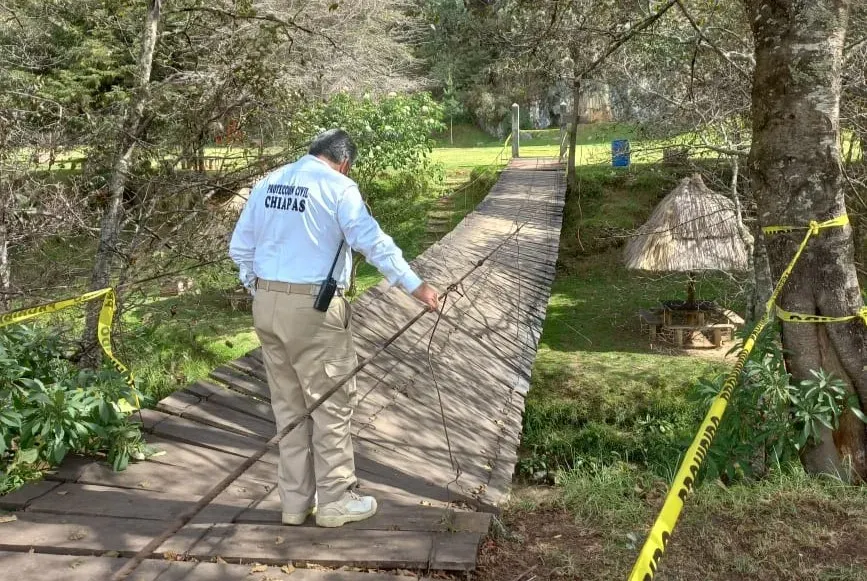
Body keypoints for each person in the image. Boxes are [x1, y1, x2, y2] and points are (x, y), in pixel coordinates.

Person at [229, 129, 439, 528]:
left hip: (266, 304)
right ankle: (336, 500)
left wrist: (260, 288)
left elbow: (240, 248)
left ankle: (294, 504)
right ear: (344, 163)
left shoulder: (269, 182)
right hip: (314, 309)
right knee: (331, 405)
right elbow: (373, 242)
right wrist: (416, 286)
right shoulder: (339, 188)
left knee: (288, 407)